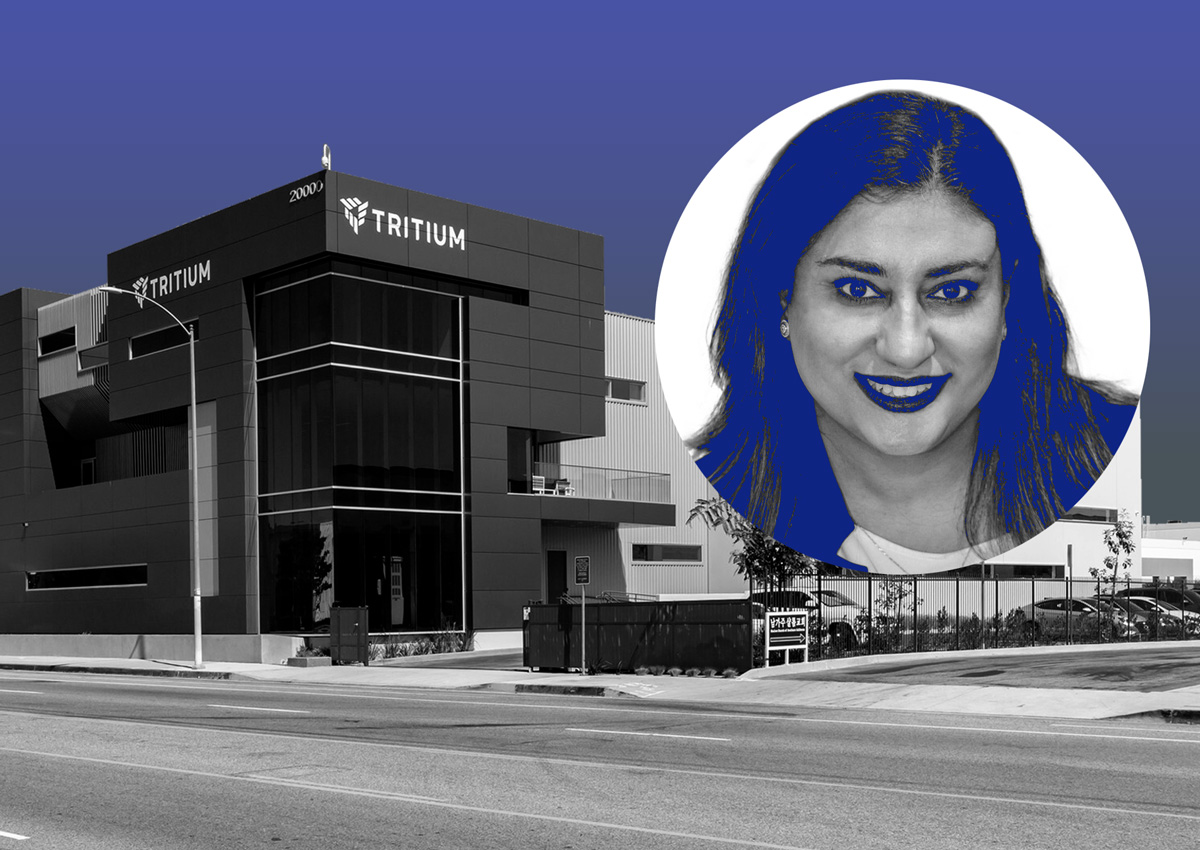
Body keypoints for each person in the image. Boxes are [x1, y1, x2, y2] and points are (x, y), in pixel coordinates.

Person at [689, 91, 1137, 574]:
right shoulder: (713, 506)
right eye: (857, 289)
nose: (905, 349)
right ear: (781, 299)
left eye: (953, 292)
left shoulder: (1126, 453)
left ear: (1007, 303)